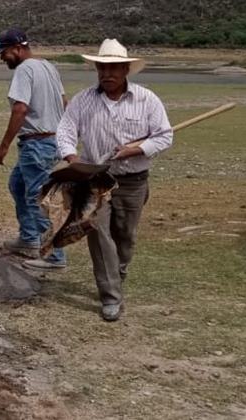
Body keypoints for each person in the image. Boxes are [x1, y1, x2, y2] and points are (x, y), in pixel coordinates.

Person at [56, 39, 173, 322]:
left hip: (133, 181)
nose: (107, 74)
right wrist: (73, 160)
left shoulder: (147, 99)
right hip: (96, 180)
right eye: (102, 68)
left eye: (113, 69)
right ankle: (110, 295)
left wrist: (136, 149)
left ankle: (117, 272)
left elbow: (164, 136)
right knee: (98, 234)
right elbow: (65, 132)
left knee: (125, 237)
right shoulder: (83, 100)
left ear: (126, 70)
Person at [0, 28, 68, 270]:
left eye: (4, 52)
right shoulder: (48, 66)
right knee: (18, 185)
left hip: (37, 143)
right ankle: (28, 238)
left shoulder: (25, 70)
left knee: (36, 197)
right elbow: (65, 102)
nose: (2, 57)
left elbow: (20, 109)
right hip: (48, 141)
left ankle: (54, 255)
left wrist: (3, 146)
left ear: (18, 49)